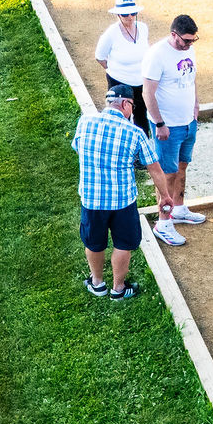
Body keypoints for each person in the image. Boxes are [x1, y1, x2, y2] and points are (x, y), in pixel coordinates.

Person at [72, 84, 162, 301]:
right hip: (123, 201)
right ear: (125, 104)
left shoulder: (85, 122)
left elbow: (77, 148)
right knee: (123, 244)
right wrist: (165, 196)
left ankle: (97, 283)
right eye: (132, 105)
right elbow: (154, 168)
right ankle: (118, 289)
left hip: (92, 198)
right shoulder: (135, 133)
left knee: (94, 242)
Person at [143, 14, 205, 247]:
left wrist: (196, 105)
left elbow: (192, 79)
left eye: (192, 40)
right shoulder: (157, 55)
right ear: (173, 35)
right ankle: (163, 222)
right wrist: (159, 123)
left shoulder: (189, 50)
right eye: (185, 40)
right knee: (167, 173)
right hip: (167, 126)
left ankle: (178, 209)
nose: (189, 44)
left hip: (188, 122)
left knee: (182, 166)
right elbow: (147, 93)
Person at [93, 0, 152, 136]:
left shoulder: (143, 28)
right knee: (120, 117)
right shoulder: (111, 34)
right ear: (118, 15)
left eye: (133, 13)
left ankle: (142, 143)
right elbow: (100, 57)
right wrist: (115, 70)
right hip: (119, 82)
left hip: (141, 82)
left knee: (141, 115)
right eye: (125, 14)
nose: (130, 17)